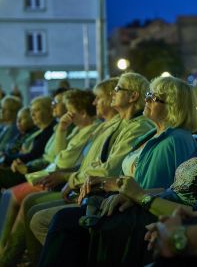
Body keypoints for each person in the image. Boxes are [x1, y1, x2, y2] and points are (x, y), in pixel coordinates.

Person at [38, 64, 197, 266]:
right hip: (152, 208)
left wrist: (140, 197)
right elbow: (173, 188)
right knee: (66, 223)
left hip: (166, 220)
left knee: (65, 223)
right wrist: (132, 194)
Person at [21, 73, 155, 265]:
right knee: (36, 211)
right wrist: (72, 178)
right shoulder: (116, 123)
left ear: (133, 96)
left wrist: (71, 179)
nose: (110, 96)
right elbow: (87, 162)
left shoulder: (139, 127)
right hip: (90, 188)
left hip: (105, 195)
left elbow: (110, 169)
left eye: (117, 89)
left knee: (40, 215)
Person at [0, 89, 99, 265]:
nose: (66, 113)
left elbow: (60, 158)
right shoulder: (74, 129)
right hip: (52, 171)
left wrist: (61, 129)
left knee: (19, 197)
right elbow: (57, 157)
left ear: (82, 112)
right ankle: (8, 252)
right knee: (14, 194)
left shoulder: (88, 129)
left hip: (57, 175)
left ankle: (11, 256)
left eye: (68, 108)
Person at [0, 96, 56, 189]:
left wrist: (8, 159)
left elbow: (34, 155)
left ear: (50, 111)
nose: (33, 114)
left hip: (34, 172)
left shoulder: (51, 130)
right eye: (31, 111)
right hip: (26, 167)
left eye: (37, 110)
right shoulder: (41, 130)